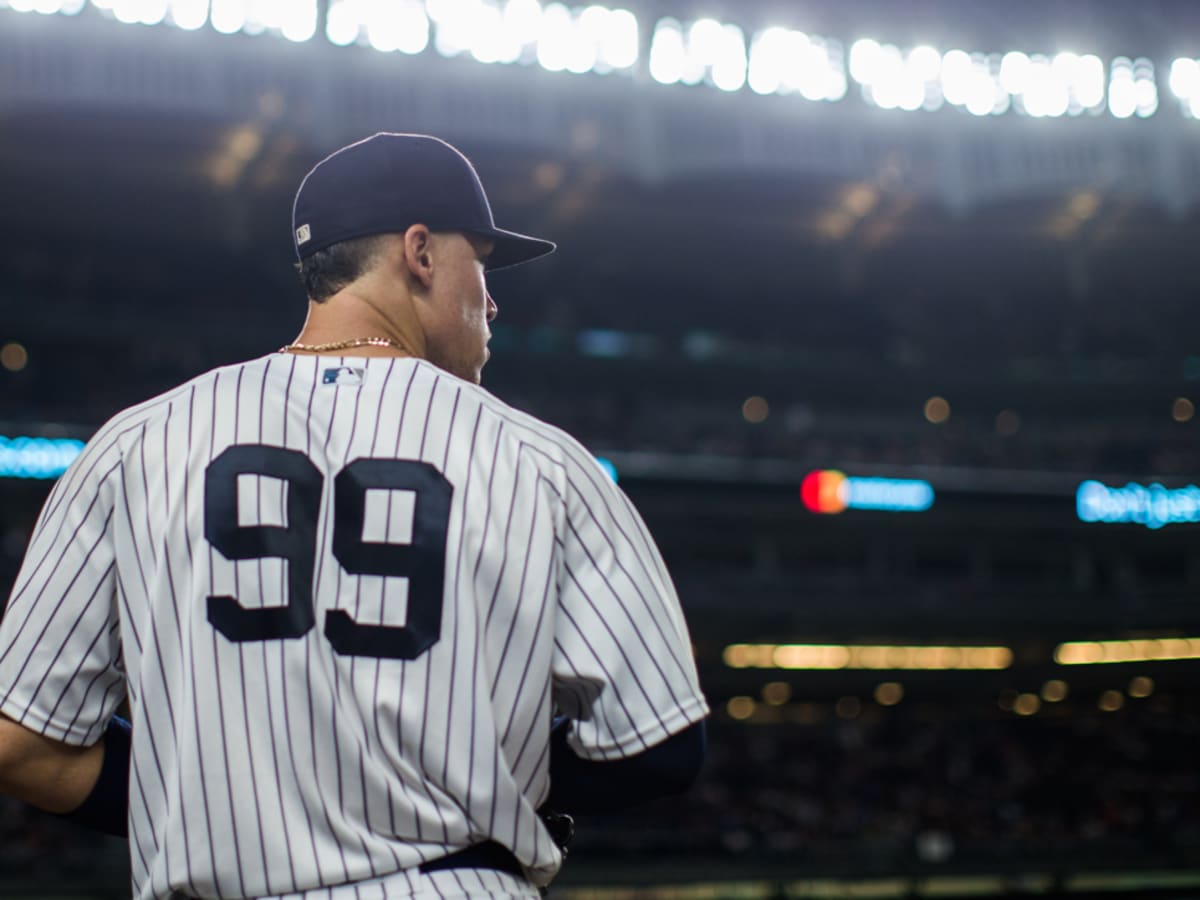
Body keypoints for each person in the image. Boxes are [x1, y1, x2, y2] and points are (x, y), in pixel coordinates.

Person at [0, 132, 709, 898]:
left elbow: (21, 745)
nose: (493, 297)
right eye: (482, 259)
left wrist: (218, 792)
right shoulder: (540, 461)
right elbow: (661, 747)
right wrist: (480, 764)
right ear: (420, 251)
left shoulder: (134, 447)